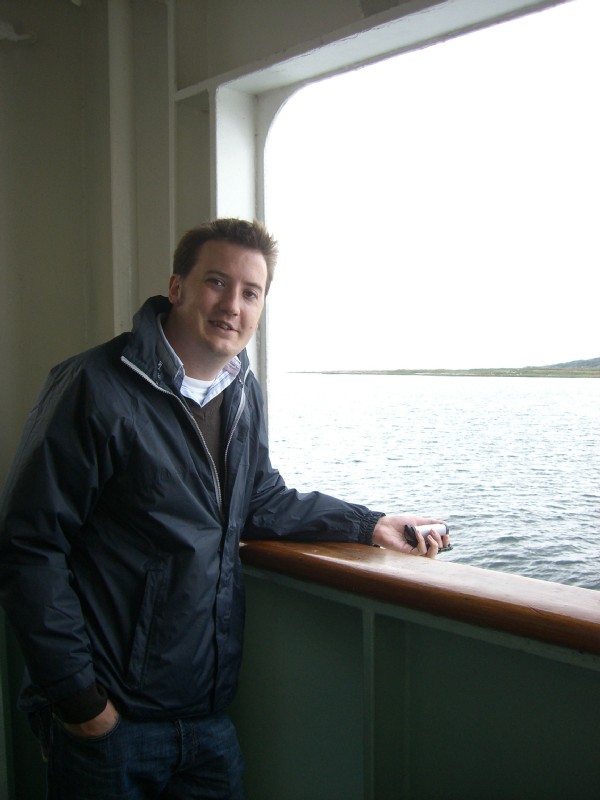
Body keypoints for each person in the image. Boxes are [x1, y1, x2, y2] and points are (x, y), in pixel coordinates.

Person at [0, 218, 449, 799]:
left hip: (207, 716)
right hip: (111, 721)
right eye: (216, 282)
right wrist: (80, 701)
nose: (232, 304)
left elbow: (258, 496)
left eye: (250, 292)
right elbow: (29, 546)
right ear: (177, 287)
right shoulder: (95, 386)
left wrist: (369, 525)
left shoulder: (241, 391)